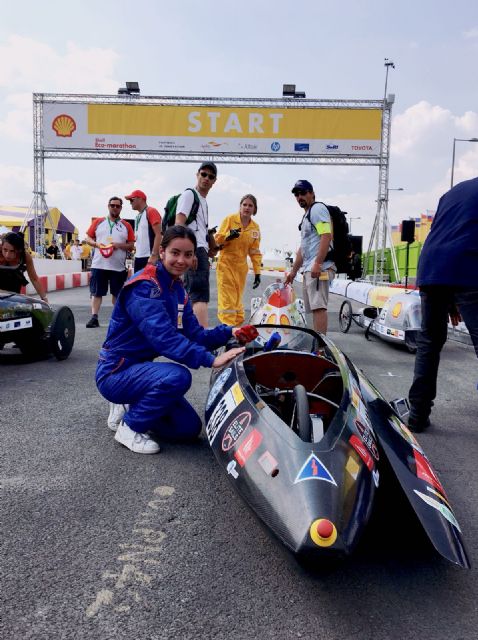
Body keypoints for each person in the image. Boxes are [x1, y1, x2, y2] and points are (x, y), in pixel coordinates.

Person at [96, 225, 258, 454]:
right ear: (162, 252)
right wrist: (210, 360)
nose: (181, 260)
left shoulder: (177, 289)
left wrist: (230, 333)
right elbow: (164, 339)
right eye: (175, 252)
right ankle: (129, 427)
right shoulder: (145, 286)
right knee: (178, 376)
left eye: (188, 254)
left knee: (187, 428)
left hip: (140, 370)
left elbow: (196, 334)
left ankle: (132, 405)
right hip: (115, 372)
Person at [407, 177, 478, 433]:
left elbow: (449, 233)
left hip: (433, 266)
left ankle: (417, 415)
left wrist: (451, 302)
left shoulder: (454, 191)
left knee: (429, 341)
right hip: (468, 266)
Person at [284, 180, 335, 334]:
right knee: (315, 308)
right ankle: (317, 341)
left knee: (319, 307)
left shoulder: (317, 209)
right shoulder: (307, 215)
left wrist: (318, 263)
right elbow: (303, 249)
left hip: (319, 267)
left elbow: (326, 235)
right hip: (310, 268)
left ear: (312, 193)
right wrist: (293, 272)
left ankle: (321, 345)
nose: (299, 197)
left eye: (303, 193)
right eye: (296, 194)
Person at [175, 162, 218, 328]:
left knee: (192, 294)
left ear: (214, 181)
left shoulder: (203, 201)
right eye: (203, 174)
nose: (206, 178)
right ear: (197, 174)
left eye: (211, 176)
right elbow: (179, 224)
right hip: (195, 249)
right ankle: (201, 336)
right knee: (200, 295)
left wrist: (210, 248)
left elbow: (199, 229)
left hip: (200, 249)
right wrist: (190, 253)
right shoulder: (189, 195)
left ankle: (192, 333)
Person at [84, 196, 135, 328]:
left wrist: (119, 245)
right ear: (108, 206)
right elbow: (88, 238)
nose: (115, 208)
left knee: (117, 294)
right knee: (96, 292)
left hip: (118, 267)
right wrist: (97, 244)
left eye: (118, 206)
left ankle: (118, 319)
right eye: (112, 205)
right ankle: (94, 318)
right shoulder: (99, 222)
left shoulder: (126, 225)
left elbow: (131, 245)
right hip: (99, 264)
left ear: (121, 208)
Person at [214, 194, 262, 325]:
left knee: (236, 300)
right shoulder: (230, 220)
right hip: (226, 265)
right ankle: (228, 330)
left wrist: (258, 272)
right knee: (227, 301)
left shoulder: (255, 228)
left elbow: (255, 252)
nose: (247, 207)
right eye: (244, 205)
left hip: (241, 269)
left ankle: (236, 327)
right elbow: (217, 240)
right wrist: (228, 236)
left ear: (254, 209)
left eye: (250, 205)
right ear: (240, 206)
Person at [0, 231, 48, 302]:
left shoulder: (25, 256)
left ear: (18, 250)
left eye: (12, 251)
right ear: (1, 246)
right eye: (5, 250)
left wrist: (44, 299)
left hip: (14, 296)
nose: (7, 255)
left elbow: (34, 279)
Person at [125, 189, 162, 272]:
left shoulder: (151, 211)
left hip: (149, 257)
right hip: (138, 257)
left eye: (131, 200)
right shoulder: (138, 216)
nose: (130, 203)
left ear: (140, 199)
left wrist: (154, 255)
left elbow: (159, 234)